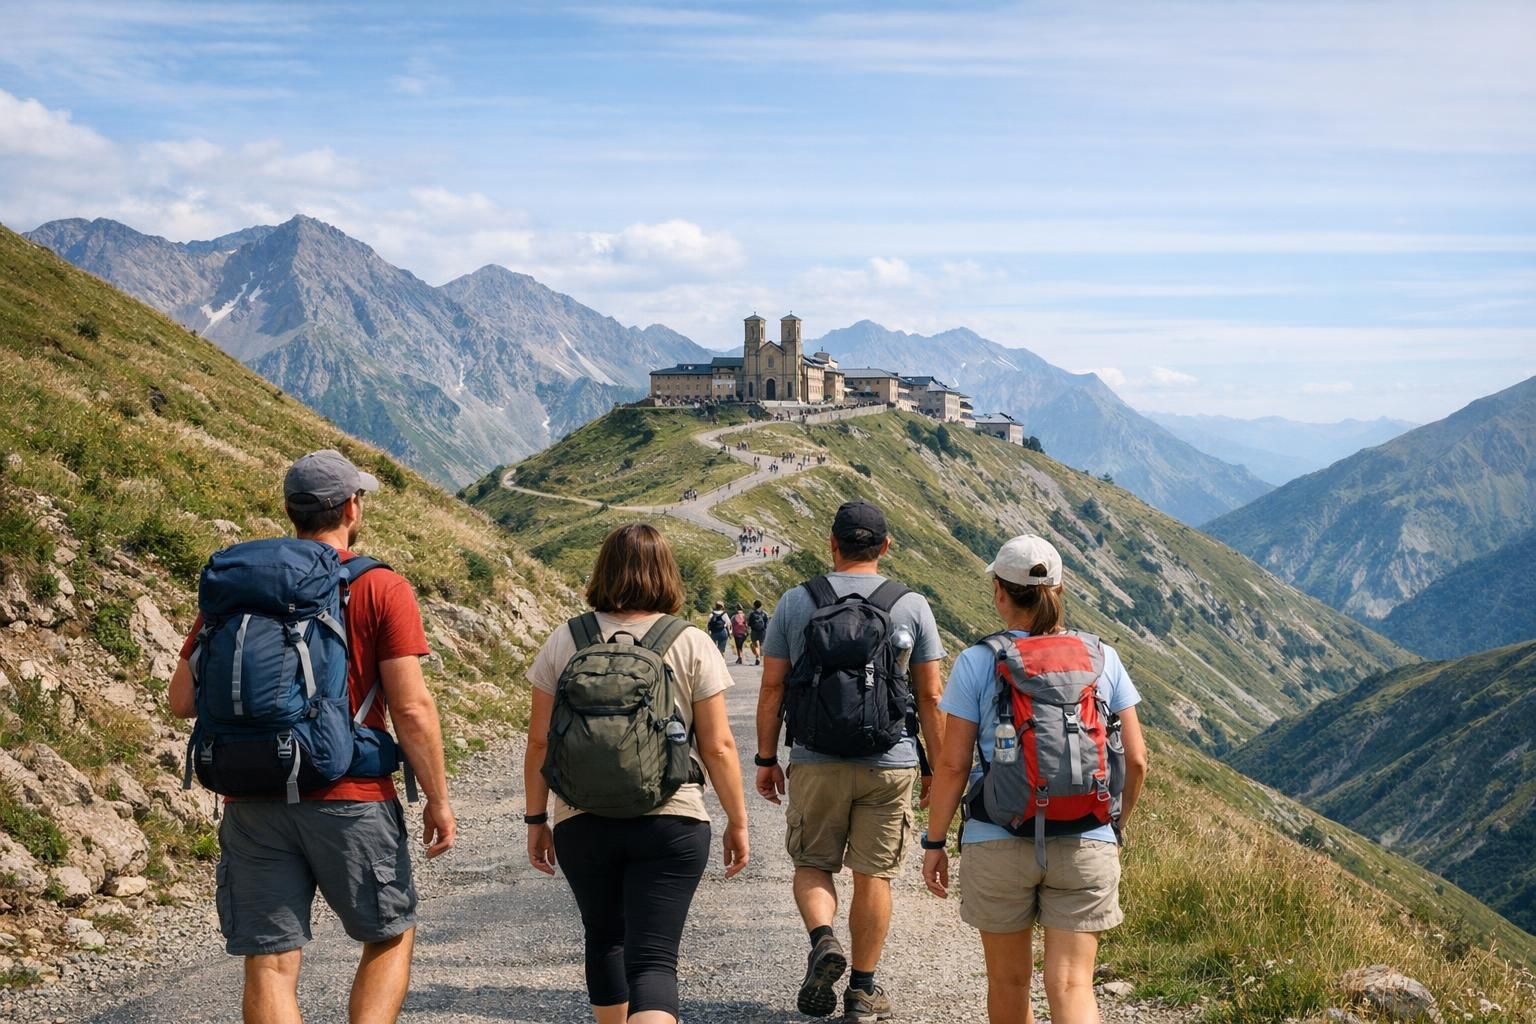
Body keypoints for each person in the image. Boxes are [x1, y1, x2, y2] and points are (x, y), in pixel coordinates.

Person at [169, 449, 456, 1024]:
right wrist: (439, 802)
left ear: (289, 510)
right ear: (352, 507)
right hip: (352, 797)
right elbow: (412, 708)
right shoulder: (381, 586)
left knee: (271, 963)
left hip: (253, 796)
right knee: (388, 936)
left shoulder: (242, 586)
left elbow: (181, 701)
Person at [524, 524, 750, 1024]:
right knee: (653, 959)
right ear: (666, 574)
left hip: (581, 820)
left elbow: (540, 741)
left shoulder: (567, 638)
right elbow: (716, 745)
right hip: (672, 818)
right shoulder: (689, 641)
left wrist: (536, 818)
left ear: (602, 570)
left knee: (604, 940)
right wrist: (738, 819)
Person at [920, 535, 1148, 1024]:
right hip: (1087, 836)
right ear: (1061, 589)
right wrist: (1113, 827)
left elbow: (954, 765)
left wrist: (935, 841)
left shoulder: (978, 661)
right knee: (1071, 983)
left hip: (997, 835)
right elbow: (1137, 759)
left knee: (1009, 981)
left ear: (999, 593)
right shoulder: (1102, 658)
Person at [754, 500, 946, 1023]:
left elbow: (772, 687)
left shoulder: (797, 602)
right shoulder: (912, 605)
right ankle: (862, 990)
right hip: (891, 760)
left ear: (832, 544)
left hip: (815, 757)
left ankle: (822, 940)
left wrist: (766, 758)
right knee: (874, 875)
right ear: (884, 547)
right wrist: (937, 769)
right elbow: (929, 698)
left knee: (812, 864)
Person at [747, 600, 769, 666]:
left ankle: (758, 658)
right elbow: (766, 623)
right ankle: (764, 659)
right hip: (763, 631)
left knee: (755, 645)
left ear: (754, 605)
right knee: (762, 645)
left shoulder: (752, 614)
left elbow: (749, 623)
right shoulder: (764, 613)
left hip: (754, 631)